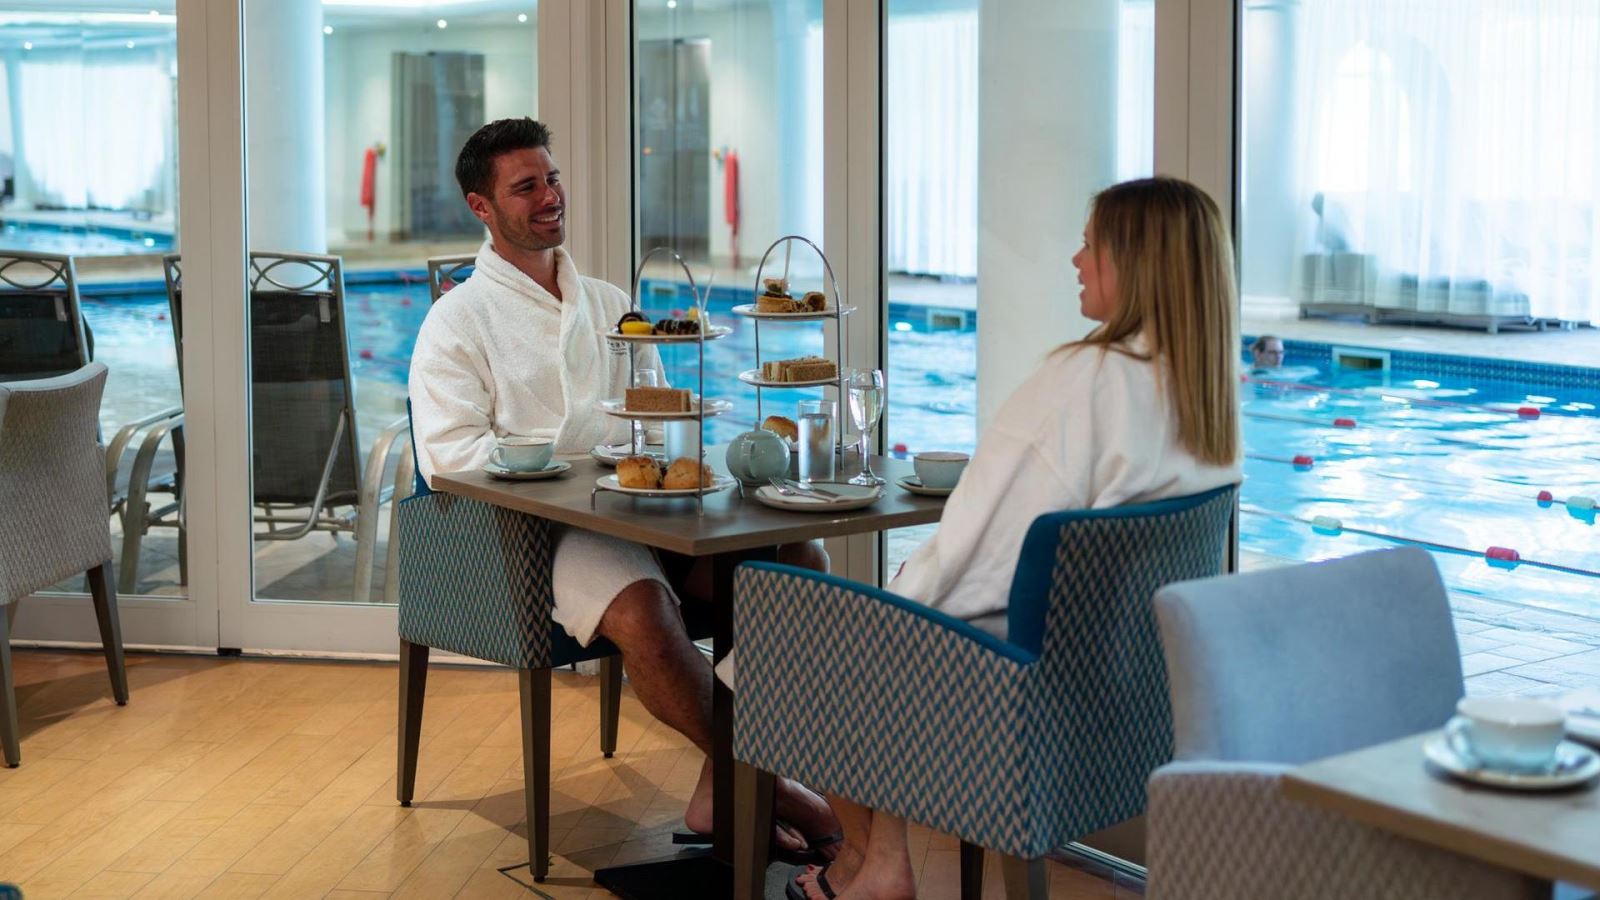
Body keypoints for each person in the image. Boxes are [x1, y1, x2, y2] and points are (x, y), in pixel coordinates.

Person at [791, 177, 1243, 900]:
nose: (1075, 259)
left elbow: (981, 547)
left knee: (790, 640)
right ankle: (876, 863)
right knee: (892, 616)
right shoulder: (1208, 401)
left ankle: (869, 864)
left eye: (1091, 244)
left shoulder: (1087, 377)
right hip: (1124, 695)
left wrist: (907, 590)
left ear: (1135, 262)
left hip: (1008, 691)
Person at [408, 118, 837, 854]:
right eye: (527, 186)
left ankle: (722, 786)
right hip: (532, 536)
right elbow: (449, 457)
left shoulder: (609, 304)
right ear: (482, 207)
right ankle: (762, 785)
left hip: (637, 512)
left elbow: (659, 419)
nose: (550, 196)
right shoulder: (457, 321)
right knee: (642, 608)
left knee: (798, 564)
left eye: (553, 177)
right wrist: (579, 464)